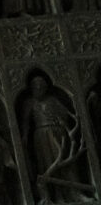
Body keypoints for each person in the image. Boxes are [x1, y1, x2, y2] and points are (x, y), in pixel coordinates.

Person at [22, 76, 86, 204]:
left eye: (41, 86)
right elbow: (25, 122)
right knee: (49, 164)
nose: (39, 88)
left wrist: (64, 121)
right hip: (42, 136)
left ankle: (76, 193)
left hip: (59, 134)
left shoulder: (53, 100)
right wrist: (24, 137)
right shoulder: (29, 103)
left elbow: (66, 114)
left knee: (67, 163)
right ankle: (58, 196)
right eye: (36, 86)